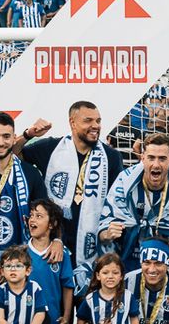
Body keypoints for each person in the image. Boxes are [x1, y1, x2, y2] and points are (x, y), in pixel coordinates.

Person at [21, 100, 125, 282]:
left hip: (94, 247)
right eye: (88, 121)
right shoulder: (51, 148)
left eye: (98, 121)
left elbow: (117, 201)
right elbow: (12, 156)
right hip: (54, 245)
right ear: (72, 122)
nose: (95, 126)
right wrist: (28, 135)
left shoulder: (111, 157)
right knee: (58, 309)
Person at [98, 132, 169, 276]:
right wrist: (107, 233)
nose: (156, 164)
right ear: (142, 158)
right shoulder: (124, 184)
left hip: (166, 265)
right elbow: (103, 230)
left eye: (162, 159)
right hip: (127, 261)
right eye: (151, 158)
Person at [0, 112, 48, 252]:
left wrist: (55, 240)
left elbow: (45, 215)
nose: (0, 142)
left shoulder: (31, 174)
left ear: (14, 138)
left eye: (6, 137)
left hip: (23, 258)